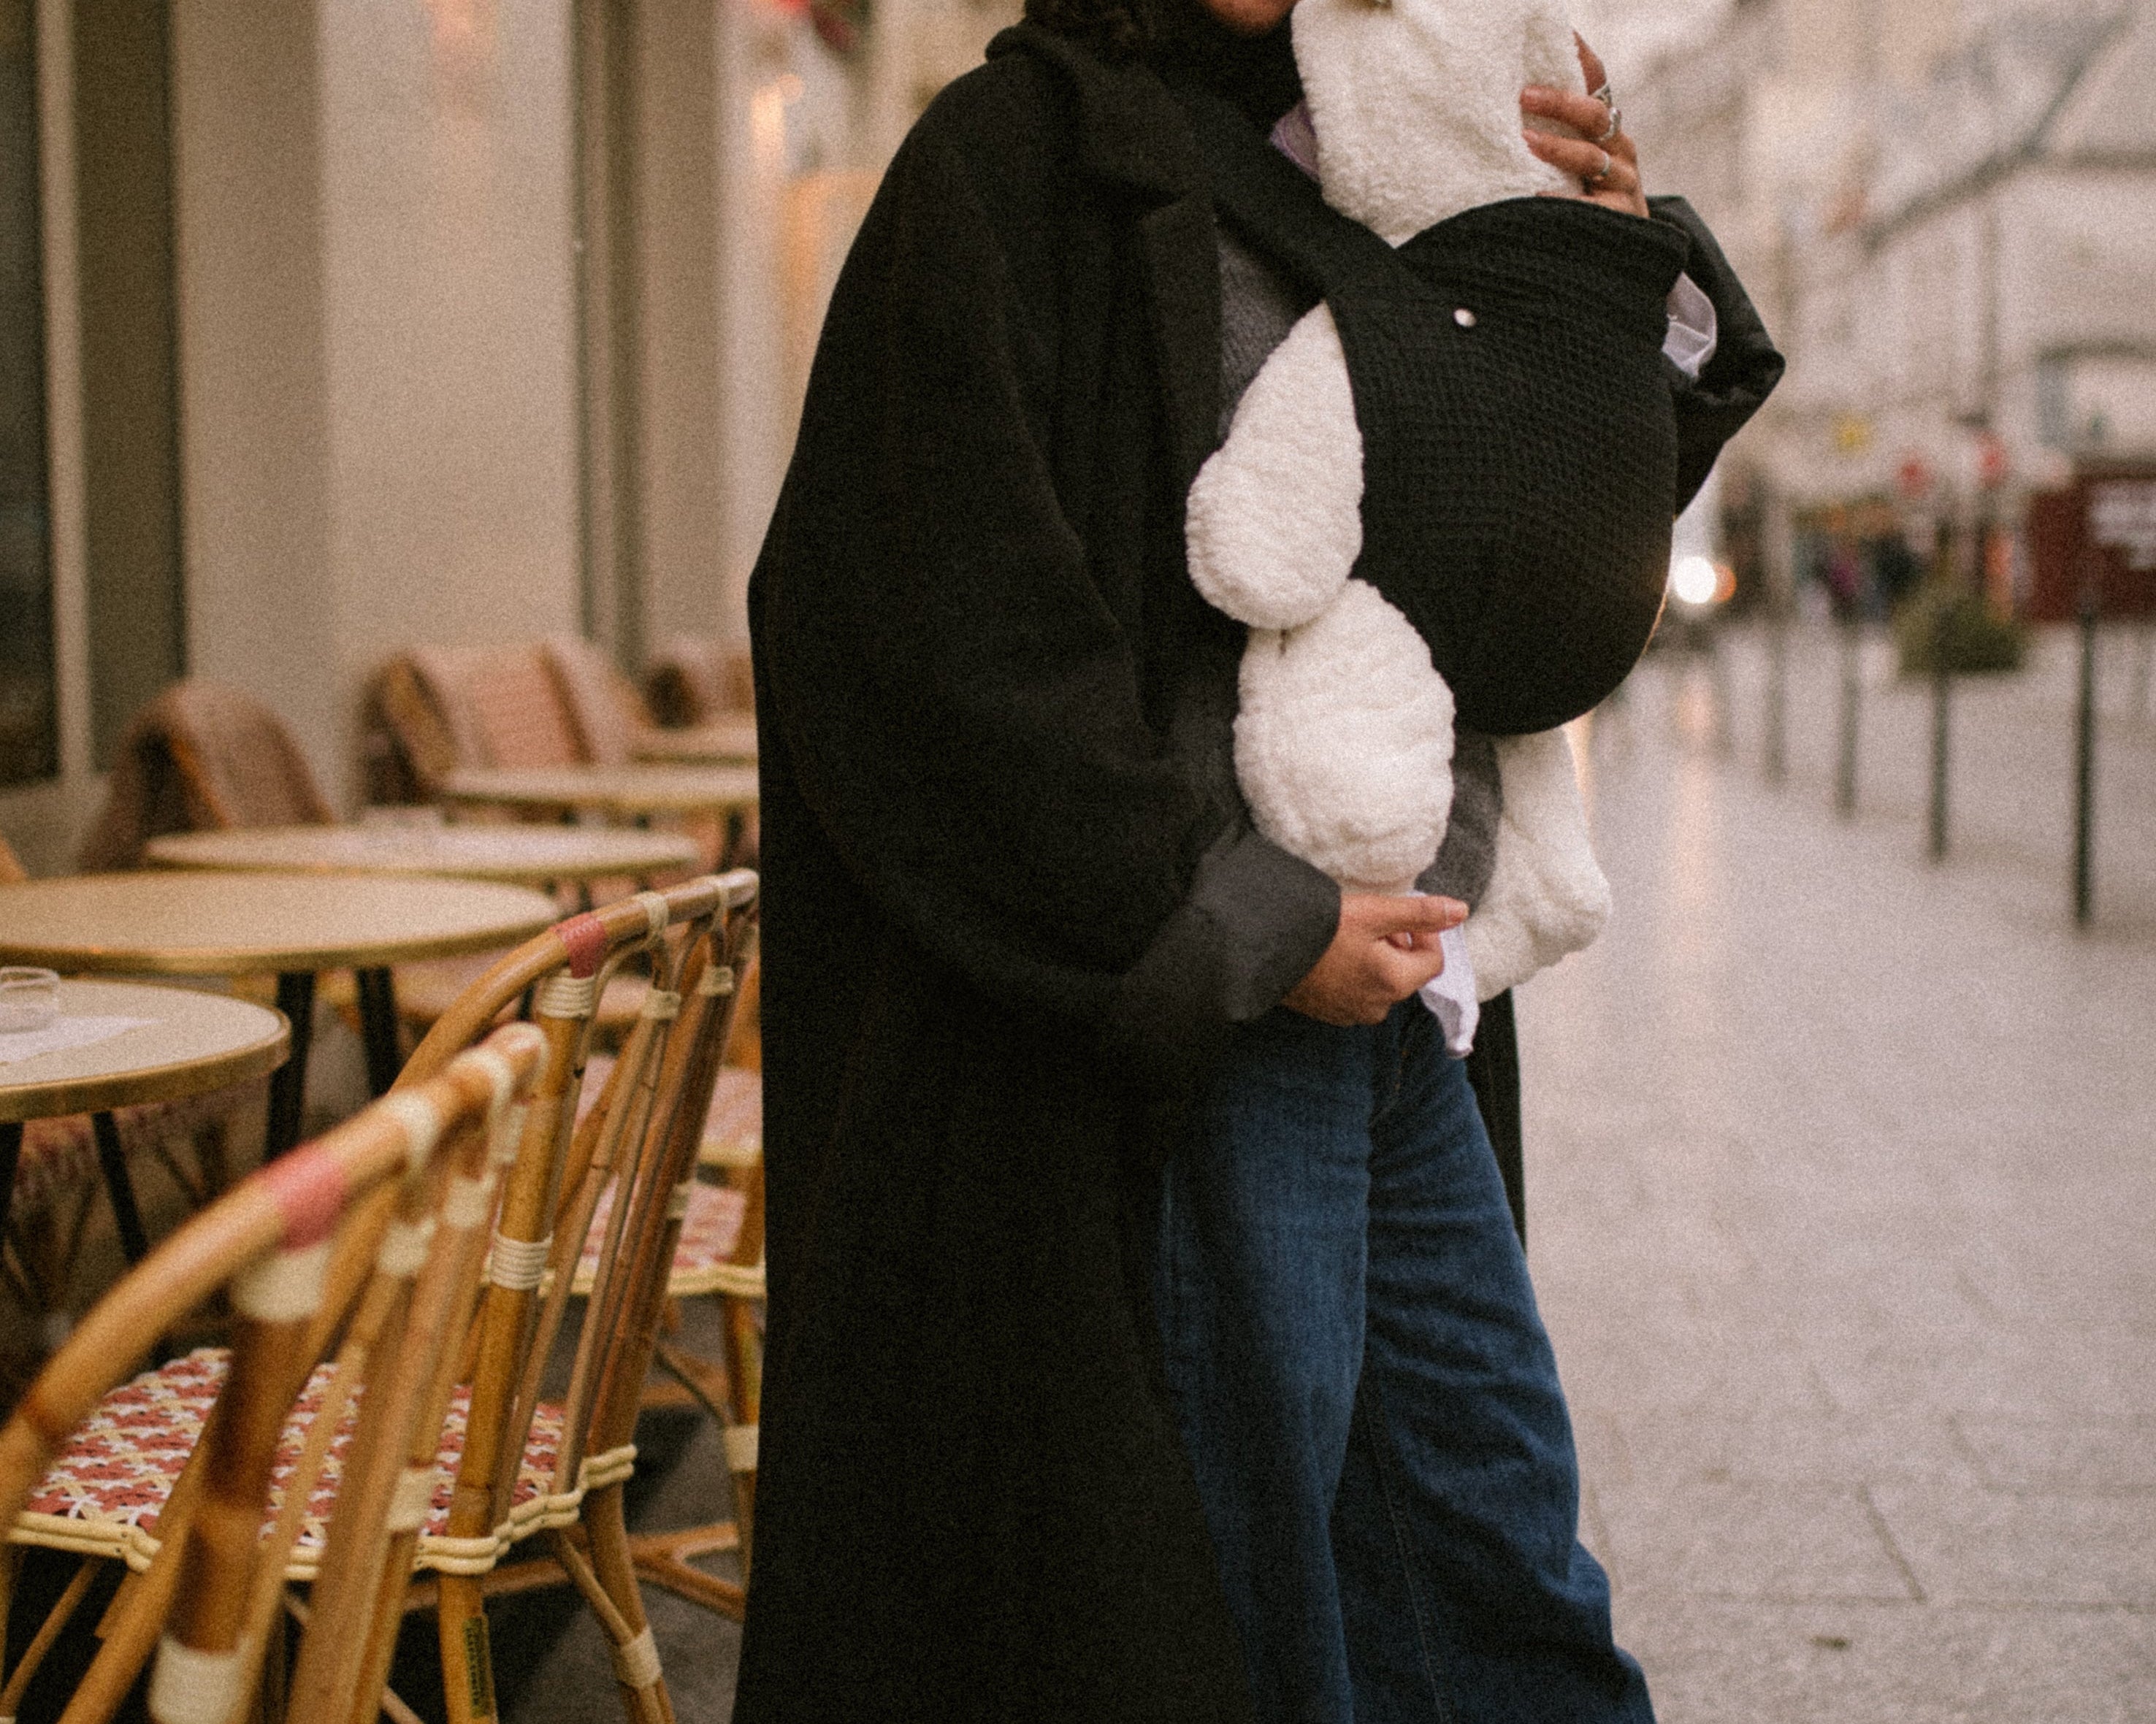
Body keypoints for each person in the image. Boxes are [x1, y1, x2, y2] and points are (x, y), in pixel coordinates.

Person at [735, 1, 1782, 1719]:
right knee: (1241, 1584)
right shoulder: (1008, 167)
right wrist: (1248, 919)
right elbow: (920, 624)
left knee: (1489, 1540)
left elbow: (1539, 554)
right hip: (1173, 1017)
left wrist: (1598, 271)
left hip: (1400, 1003)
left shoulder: (1393, 152)